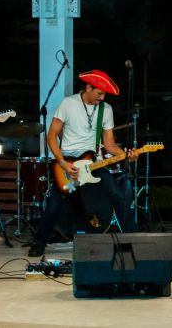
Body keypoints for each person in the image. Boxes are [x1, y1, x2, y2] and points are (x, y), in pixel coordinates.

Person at [28, 69, 136, 257]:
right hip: (69, 166)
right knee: (55, 203)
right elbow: (52, 135)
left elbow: (109, 145)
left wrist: (126, 154)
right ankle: (39, 242)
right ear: (88, 87)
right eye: (99, 93)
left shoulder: (106, 109)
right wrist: (62, 162)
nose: (102, 98)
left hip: (93, 164)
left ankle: (132, 241)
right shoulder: (68, 103)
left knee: (117, 196)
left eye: (104, 94)